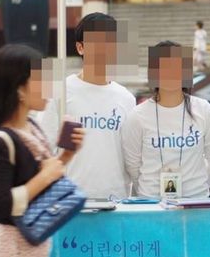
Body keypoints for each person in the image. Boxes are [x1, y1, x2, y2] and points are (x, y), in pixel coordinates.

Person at [0, 44, 84, 257]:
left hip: (28, 252)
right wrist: (46, 175)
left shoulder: (31, 128)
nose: (48, 87)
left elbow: (40, 183)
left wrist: (65, 157)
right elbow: (0, 207)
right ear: (19, 89)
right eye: (41, 79)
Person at [38, 13, 136, 199]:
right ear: (80, 47)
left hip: (115, 201)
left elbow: (131, 157)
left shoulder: (126, 99)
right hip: (70, 201)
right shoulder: (60, 93)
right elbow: (43, 150)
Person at [122, 41, 210, 199]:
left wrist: (199, 189)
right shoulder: (138, 115)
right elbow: (132, 165)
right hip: (153, 203)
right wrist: (148, 193)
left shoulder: (203, 109)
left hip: (194, 202)